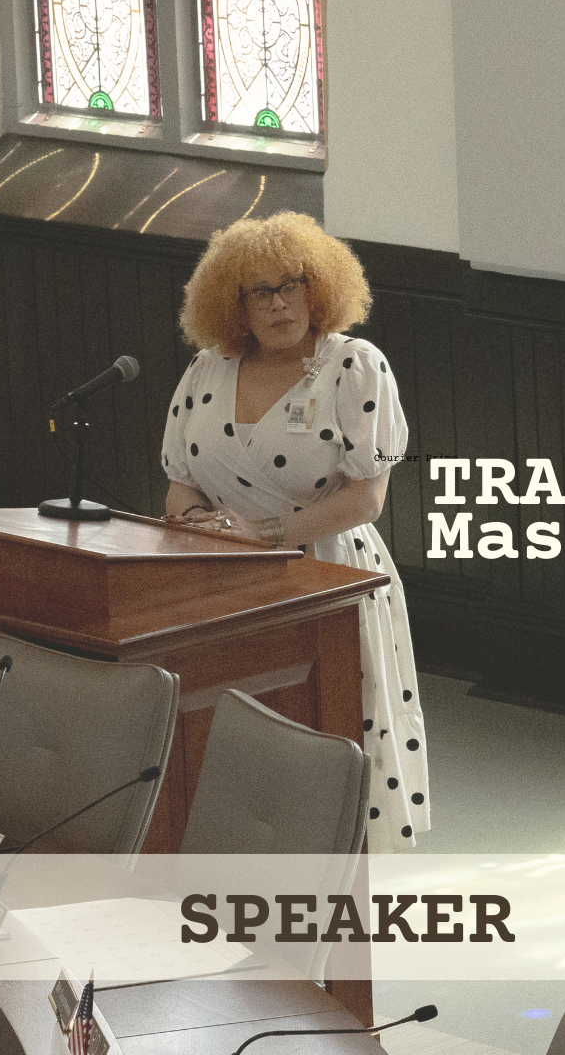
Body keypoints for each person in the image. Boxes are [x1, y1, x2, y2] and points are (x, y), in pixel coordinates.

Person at [161, 211, 429, 853]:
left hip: (326, 573)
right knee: (240, 716)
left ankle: (344, 871)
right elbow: (179, 481)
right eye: (262, 291)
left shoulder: (354, 366)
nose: (281, 303)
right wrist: (203, 525)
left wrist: (266, 531)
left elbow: (366, 499)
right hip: (222, 573)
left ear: (319, 289)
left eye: (294, 284)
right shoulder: (206, 370)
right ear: (235, 304)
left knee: (333, 721)